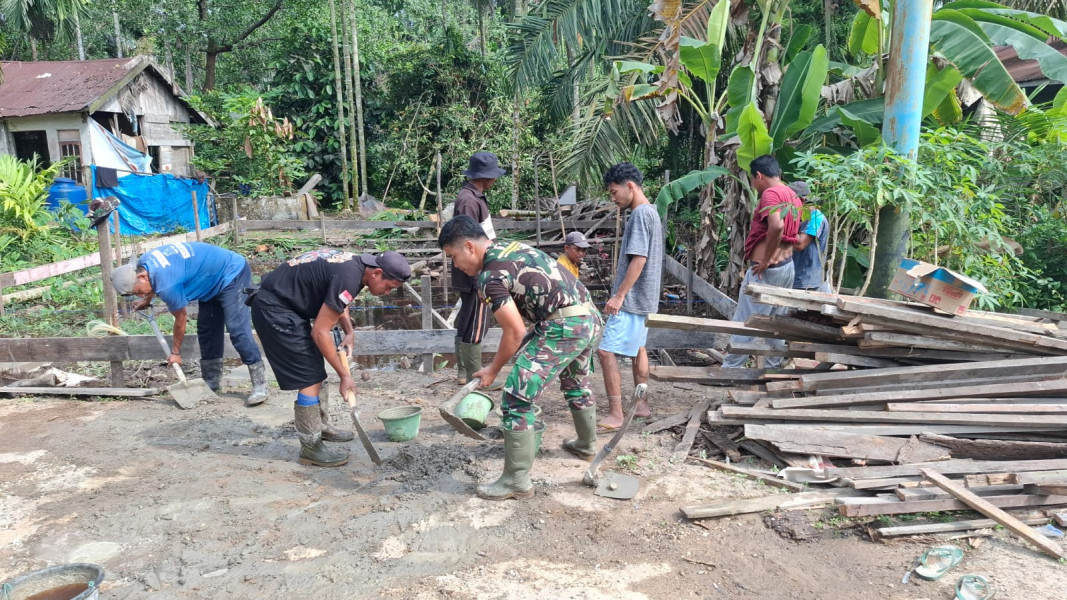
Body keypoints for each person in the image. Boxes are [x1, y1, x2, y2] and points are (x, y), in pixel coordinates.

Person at [438, 215, 602, 500]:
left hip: (563, 326)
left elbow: (514, 331)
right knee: (576, 382)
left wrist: (492, 369)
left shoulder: (490, 275)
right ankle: (586, 445)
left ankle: (515, 480)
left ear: (469, 247)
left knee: (516, 396)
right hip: (588, 318)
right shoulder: (511, 249)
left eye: (452, 257)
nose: (455, 265)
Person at [249, 249, 411, 467]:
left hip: (287, 305)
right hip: (276, 310)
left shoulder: (354, 265)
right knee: (309, 377)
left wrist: (349, 331)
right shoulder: (349, 275)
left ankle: (320, 426)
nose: (387, 293)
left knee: (315, 368)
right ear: (377, 273)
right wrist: (345, 375)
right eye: (389, 286)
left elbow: (335, 300)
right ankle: (310, 447)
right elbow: (320, 332)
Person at [110, 241, 267, 407]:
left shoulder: (167, 285)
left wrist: (175, 352)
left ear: (141, 277)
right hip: (210, 280)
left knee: (237, 330)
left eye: (138, 292)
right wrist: (147, 297)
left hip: (232, 273)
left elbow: (181, 319)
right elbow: (152, 282)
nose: (139, 295)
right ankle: (211, 382)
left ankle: (260, 384)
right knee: (207, 330)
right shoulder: (144, 264)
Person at [596, 163, 663, 431]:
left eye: (614, 193)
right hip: (646, 296)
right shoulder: (652, 213)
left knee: (604, 352)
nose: (614, 199)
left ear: (630, 186)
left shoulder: (638, 215)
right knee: (638, 349)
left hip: (633, 298)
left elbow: (639, 259)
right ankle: (642, 404)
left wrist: (619, 295)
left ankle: (616, 413)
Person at [722, 155, 803, 369]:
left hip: (766, 271)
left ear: (759, 175)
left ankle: (731, 370)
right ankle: (773, 368)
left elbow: (776, 227)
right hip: (786, 268)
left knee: (745, 323)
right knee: (775, 324)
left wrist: (765, 260)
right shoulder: (792, 194)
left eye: (753, 180)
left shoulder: (771, 193)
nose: (754, 185)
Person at [452, 151, 506, 385]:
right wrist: (478, 275)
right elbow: (467, 241)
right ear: (486, 177)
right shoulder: (469, 200)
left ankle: (465, 374)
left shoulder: (473, 197)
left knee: (468, 318)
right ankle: (476, 377)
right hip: (474, 270)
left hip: (472, 268)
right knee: (476, 322)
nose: (496, 180)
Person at [789, 181, 833, 294]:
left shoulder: (816, 217)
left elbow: (800, 244)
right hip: (794, 277)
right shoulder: (798, 216)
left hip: (806, 280)